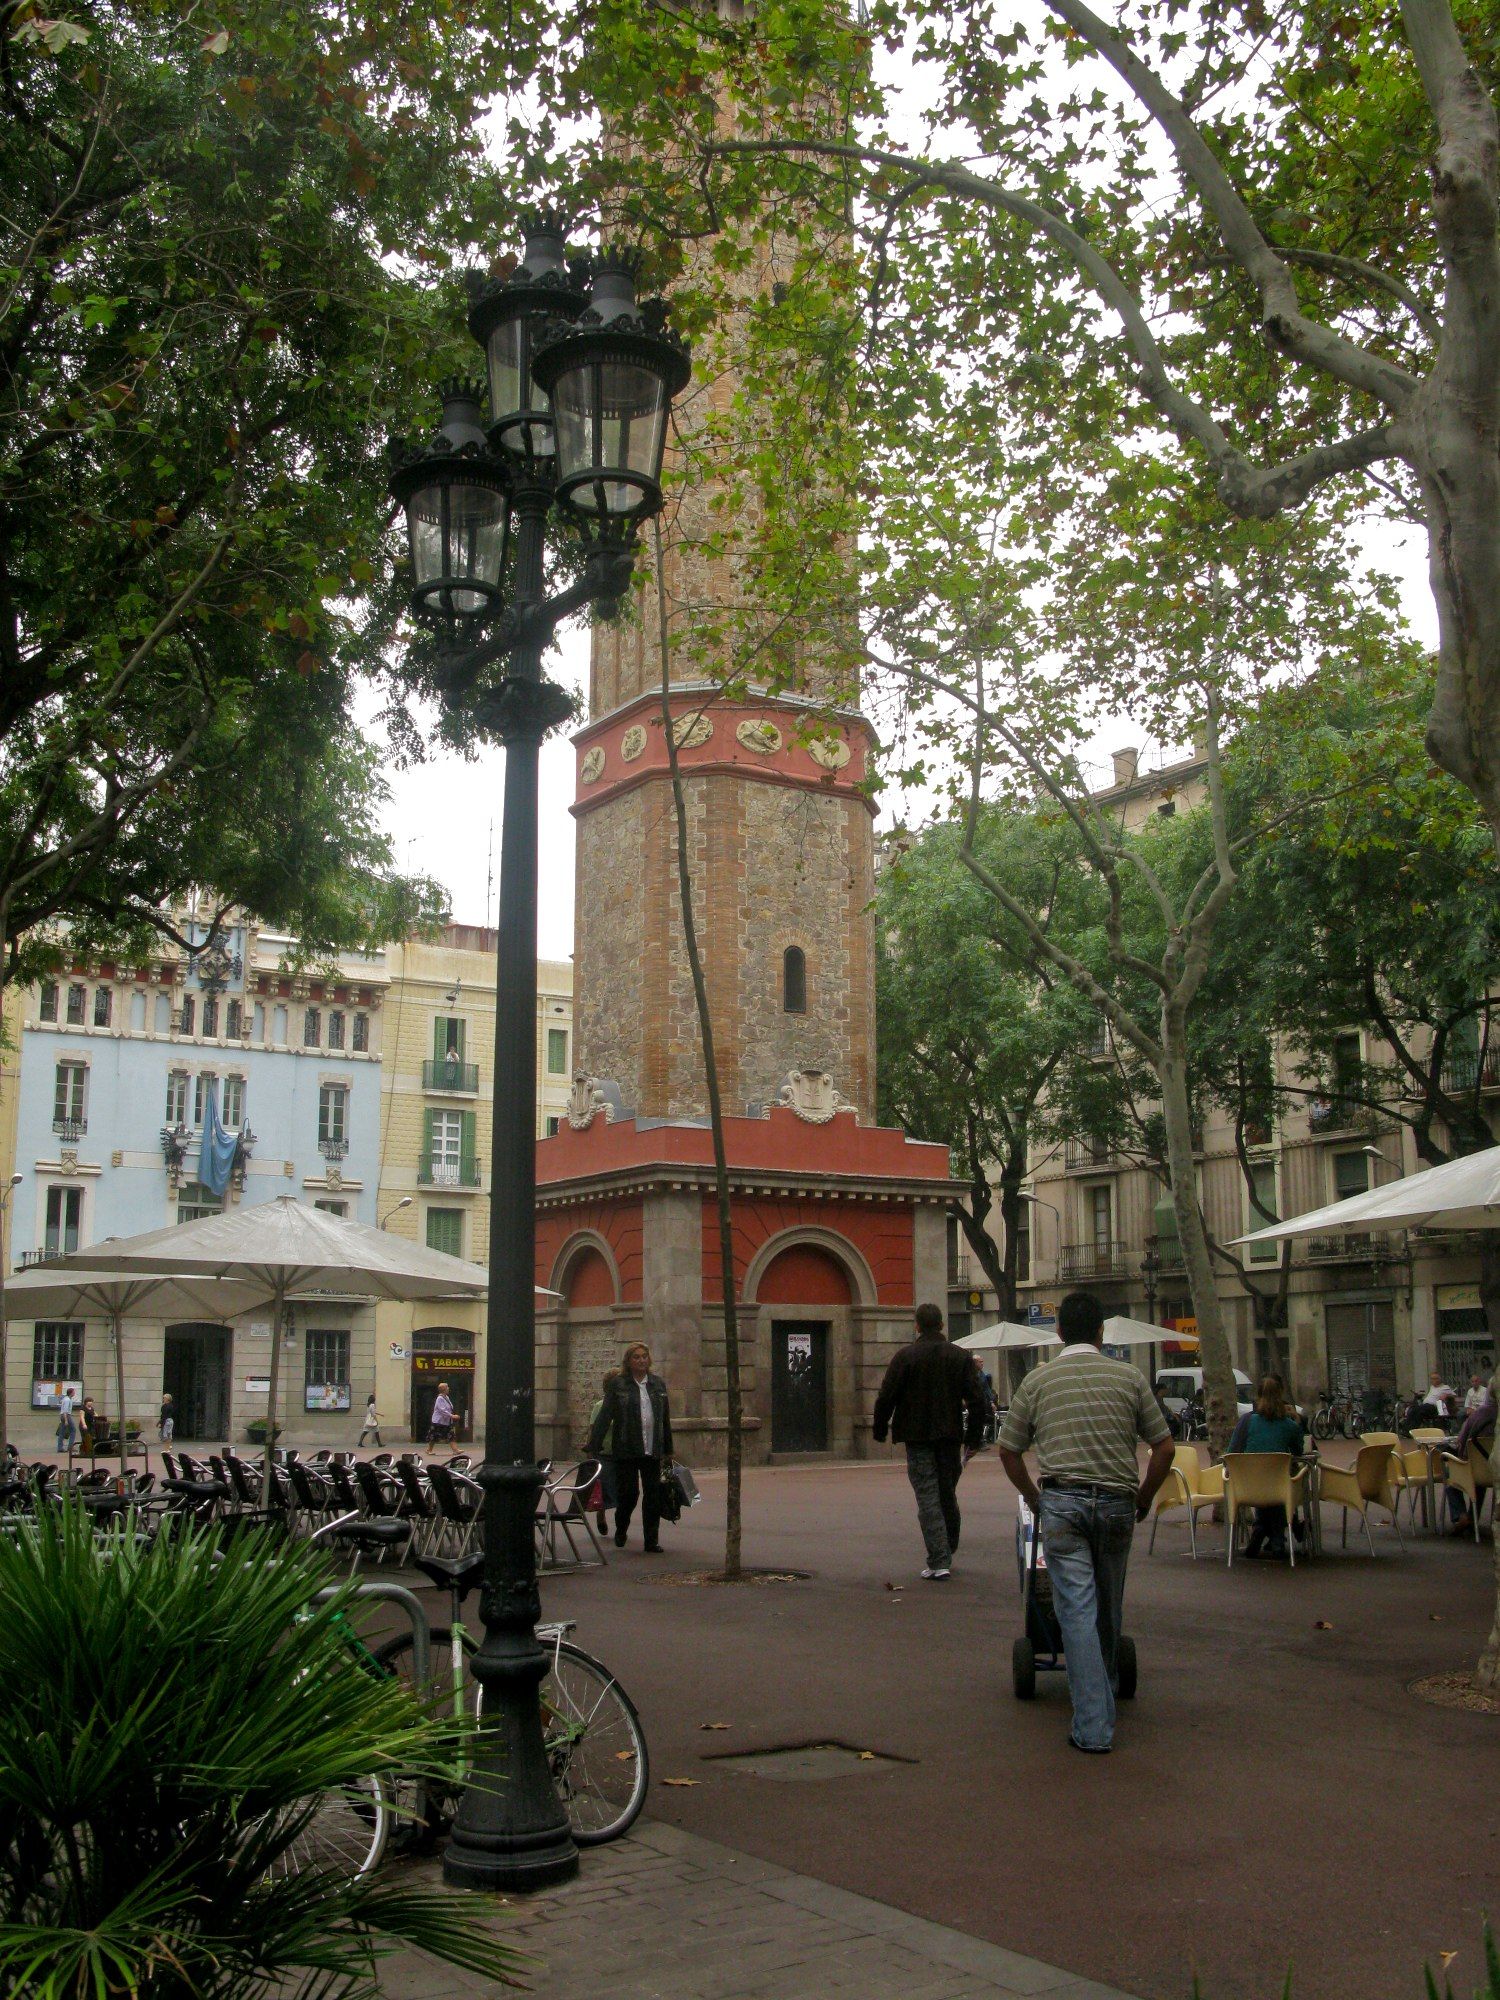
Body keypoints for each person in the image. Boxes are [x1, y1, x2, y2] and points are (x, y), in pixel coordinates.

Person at [998, 1290, 1175, 1754]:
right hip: (1118, 1503)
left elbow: (1009, 1450)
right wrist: (1144, 1498)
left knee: (1075, 1610)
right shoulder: (1130, 1378)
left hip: (1062, 1504)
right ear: (1101, 1332)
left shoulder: (1038, 1381)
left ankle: (1093, 1727)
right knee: (1109, 1604)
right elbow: (1164, 1448)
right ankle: (1108, 1683)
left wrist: (1035, 1498)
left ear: (1058, 1333)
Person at [872, 1303, 989, 1581]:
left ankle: (939, 1559)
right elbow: (977, 1400)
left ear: (917, 1326)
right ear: (942, 1325)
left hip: (916, 1435)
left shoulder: (905, 1357)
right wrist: (973, 1439)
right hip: (949, 1435)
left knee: (927, 1495)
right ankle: (948, 1545)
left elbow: (887, 1396)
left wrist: (879, 1428)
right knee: (946, 1491)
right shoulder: (960, 1357)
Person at [587, 1344, 673, 1553]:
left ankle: (651, 1540)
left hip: (652, 1448)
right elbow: (605, 1416)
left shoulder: (657, 1385)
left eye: (645, 1356)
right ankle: (621, 1527)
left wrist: (668, 1449)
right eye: (637, 1357)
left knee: (652, 1495)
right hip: (626, 1448)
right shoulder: (619, 1385)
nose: (642, 1360)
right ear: (629, 1361)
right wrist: (593, 1446)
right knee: (629, 1494)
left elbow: (665, 1420)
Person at [1224, 1374, 1306, 1559]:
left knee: (1264, 1485)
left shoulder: (1246, 1422)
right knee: (1282, 1481)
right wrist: (1297, 1422)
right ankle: (1277, 1539)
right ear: (1281, 1396)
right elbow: (1299, 1452)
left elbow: (1232, 1452)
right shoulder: (1289, 1426)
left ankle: (1260, 1528)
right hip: (1279, 1489)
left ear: (1258, 1396)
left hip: (1247, 1488)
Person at [1436, 1383, 1497, 1533]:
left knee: (1452, 1481)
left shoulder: (1479, 1414)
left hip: (1475, 1469)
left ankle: (1460, 1515)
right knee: (1479, 1485)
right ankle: (1472, 1517)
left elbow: (1461, 1441)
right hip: (1495, 1471)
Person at [587, 1371, 620, 1535]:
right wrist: (591, 1451)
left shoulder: (625, 1405)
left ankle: (621, 1521)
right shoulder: (600, 1406)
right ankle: (601, 1514)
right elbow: (593, 1430)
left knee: (622, 1489)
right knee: (606, 1488)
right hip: (605, 1453)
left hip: (622, 1454)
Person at [427, 1381, 456, 1450]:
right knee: (434, 1436)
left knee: (451, 1435)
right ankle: (429, 1450)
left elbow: (449, 1407)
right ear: (444, 1389)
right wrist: (452, 1416)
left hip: (446, 1421)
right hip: (438, 1421)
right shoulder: (440, 1398)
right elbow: (442, 1410)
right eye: (447, 1387)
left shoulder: (446, 1397)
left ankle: (455, 1450)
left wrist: (451, 1416)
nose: (448, 1388)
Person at [56, 1387, 75, 1455]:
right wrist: (66, 1420)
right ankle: (70, 1447)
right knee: (73, 1430)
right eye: (73, 1392)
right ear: (71, 1393)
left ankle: (60, 1447)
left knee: (62, 1432)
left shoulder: (65, 1399)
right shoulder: (67, 1400)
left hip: (63, 1416)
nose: (74, 1393)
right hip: (66, 1416)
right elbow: (65, 1411)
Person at [80, 1397, 98, 1461]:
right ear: (86, 1402)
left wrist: (96, 1417)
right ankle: (87, 1451)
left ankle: (85, 1451)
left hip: (91, 1426)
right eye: (89, 1401)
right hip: (84, 1425)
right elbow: (82, 1417)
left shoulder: (92, 1409)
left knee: (91, 1437)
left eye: (91, 1401)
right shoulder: (83, 1409)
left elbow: (96, 1414)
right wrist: (84, 1424)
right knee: (86, 1437)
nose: (90, 1402)